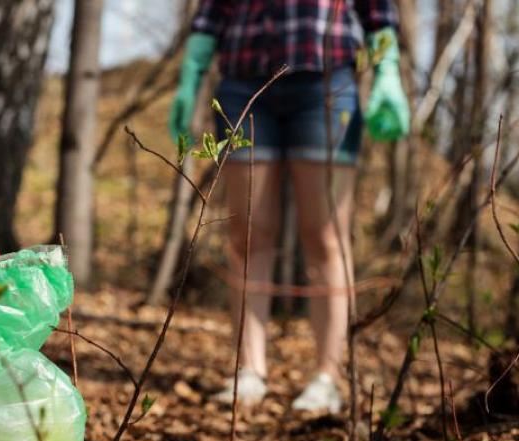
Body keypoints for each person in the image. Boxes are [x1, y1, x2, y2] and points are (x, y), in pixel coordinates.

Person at [168, 0, 410, 413]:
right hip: (243, 86)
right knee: (246, 233)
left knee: (326, 236)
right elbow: (210, 14)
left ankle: (327, 378)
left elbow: (379, 14)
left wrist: (388, 72)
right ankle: (249, 370)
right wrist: (190, 76)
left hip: (326, 86)